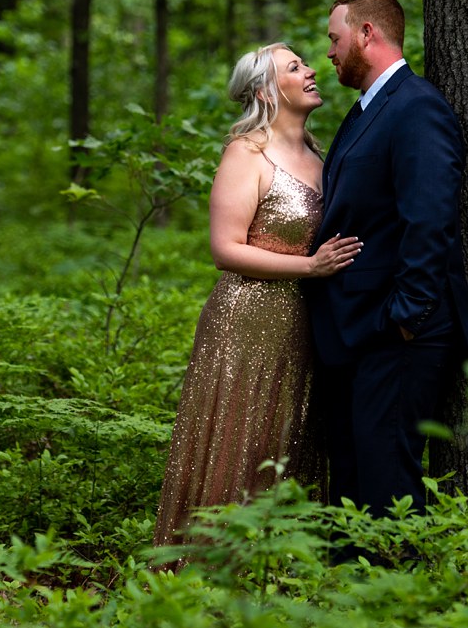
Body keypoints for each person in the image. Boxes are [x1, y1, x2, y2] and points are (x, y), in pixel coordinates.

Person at [153, 42, 363, 552]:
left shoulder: (319, 153)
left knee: (289, 437)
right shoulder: (246, 152)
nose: (312, 69)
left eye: (306, 63)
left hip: (303, 321)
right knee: (242, 439)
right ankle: (214, 565)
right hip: (246, 318)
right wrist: (310, 267)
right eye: (295, 67)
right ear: (268, 91)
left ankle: (283, 565)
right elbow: (226, 250)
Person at [306, 0, 468, 543]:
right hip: (355, 328)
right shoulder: (364, 111)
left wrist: (408, 314)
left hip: (397, 329)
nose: (329, 52)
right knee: (353, 470)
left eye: (335, 38)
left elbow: (429, 216)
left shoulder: (416, 106)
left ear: (367, 34)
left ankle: (393, 594)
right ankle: (345, 592)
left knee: (387, 474)